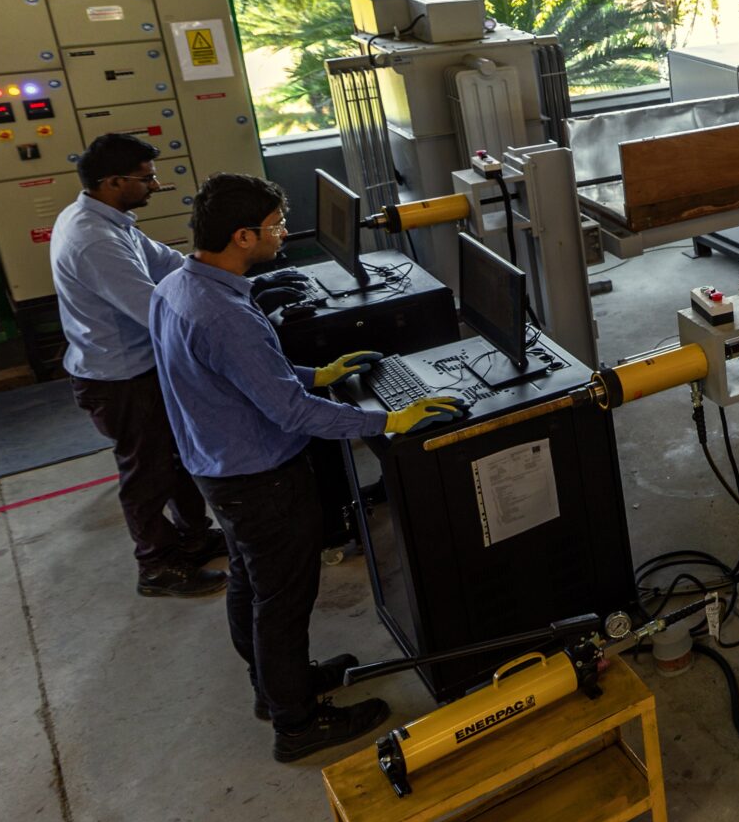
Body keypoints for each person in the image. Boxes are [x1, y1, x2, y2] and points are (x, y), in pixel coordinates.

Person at [150, 173, 469, 761]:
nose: (284, 233)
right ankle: (296, 725)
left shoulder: (179, 285)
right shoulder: (225, 314)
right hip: (259, 478)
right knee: (282, 599)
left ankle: (275, 688)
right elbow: (289, 412)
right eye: (275, 226)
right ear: (243, 236)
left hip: (217, 467)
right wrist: (387, 422)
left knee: (251, 581)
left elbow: (243, 380)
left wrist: (316, 375)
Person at [49, 134, 226, 597]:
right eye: (146, 178)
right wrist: (228, 324)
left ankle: (192, 537)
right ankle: (156, 565)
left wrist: (228, 276)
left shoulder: (110, 220)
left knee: (171, 457)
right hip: (120, 378)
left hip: (136, 367)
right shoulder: (93, 239)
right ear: (112, 182)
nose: (156, 185)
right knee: (147, 472)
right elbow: (153, 309)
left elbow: (167, 263)